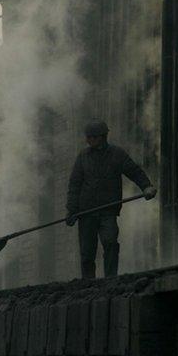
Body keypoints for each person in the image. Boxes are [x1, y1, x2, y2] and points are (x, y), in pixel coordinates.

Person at [66, 119, 157, 279]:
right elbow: (74, 185)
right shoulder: (83, 157)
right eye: (88, 137)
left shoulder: (117, 154)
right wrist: (72, 210)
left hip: (108, 211)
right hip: (86, 213)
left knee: (110, 244)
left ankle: (110, 280)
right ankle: (88, 283)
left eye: (92, 137)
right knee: (87, 252)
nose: (88, 140)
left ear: (102, 137)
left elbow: (134, 171)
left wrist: (146, 186)